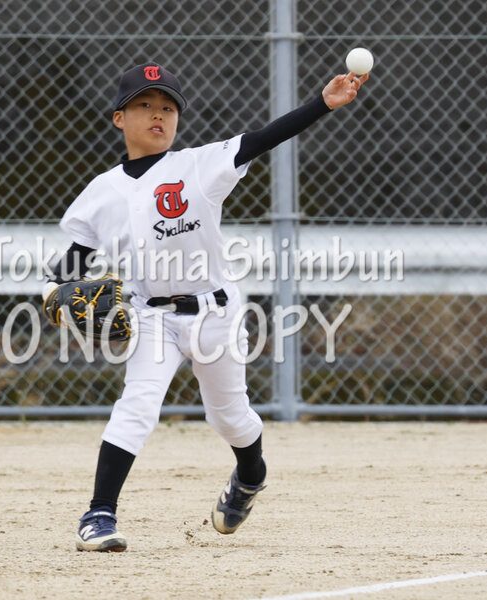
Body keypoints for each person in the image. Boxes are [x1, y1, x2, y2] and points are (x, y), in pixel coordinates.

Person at [42, 62, 368, 552]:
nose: (158, 114)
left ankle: (250, 475)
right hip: (150, 315)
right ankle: (99, 514)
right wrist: (52, 292)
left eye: (168, 107)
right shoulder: (100, 193)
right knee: (137, 405)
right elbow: (71, 261)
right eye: (144, 104)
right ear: (119, 118)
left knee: (229, 416)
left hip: (216, 313)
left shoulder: (199, 165)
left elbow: (263, 138)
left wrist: (322, 103)